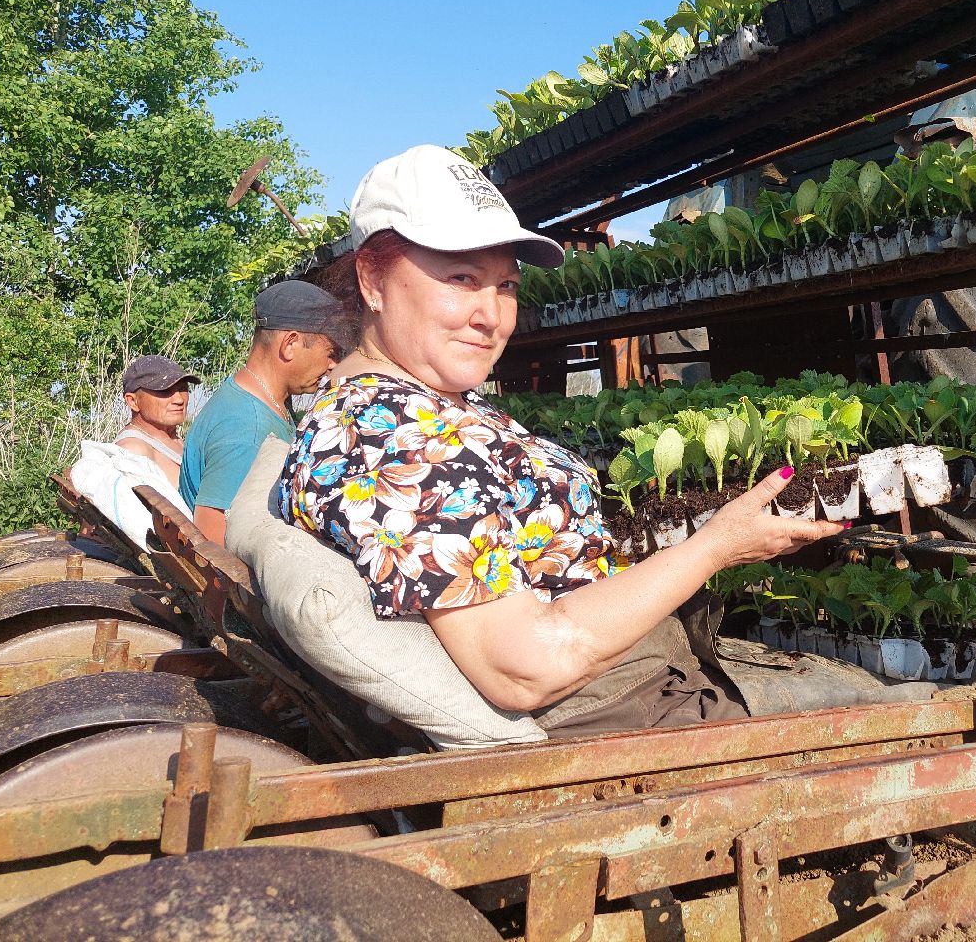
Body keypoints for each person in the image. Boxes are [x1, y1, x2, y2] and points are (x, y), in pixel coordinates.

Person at [276, 144, 843, 730]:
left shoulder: (403, 406)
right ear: (372, 279)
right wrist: (716, 547)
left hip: (636, 681)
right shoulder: (401, 440)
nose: (491, 317)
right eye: (462, 279)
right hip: (622, 714)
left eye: (506, 287)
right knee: (908, 708)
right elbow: (527, 667)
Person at [181, 281, 345, 545]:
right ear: (290, 344)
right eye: (330, 352)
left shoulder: (267, 403)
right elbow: (213, 545)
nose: (332, 364)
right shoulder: (246, 427)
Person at [115, 355, 200, 487]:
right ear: (133, 401)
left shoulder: (177, 442)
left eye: (182, 389)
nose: (179, 400)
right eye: (165, 390)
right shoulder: (133, 452)